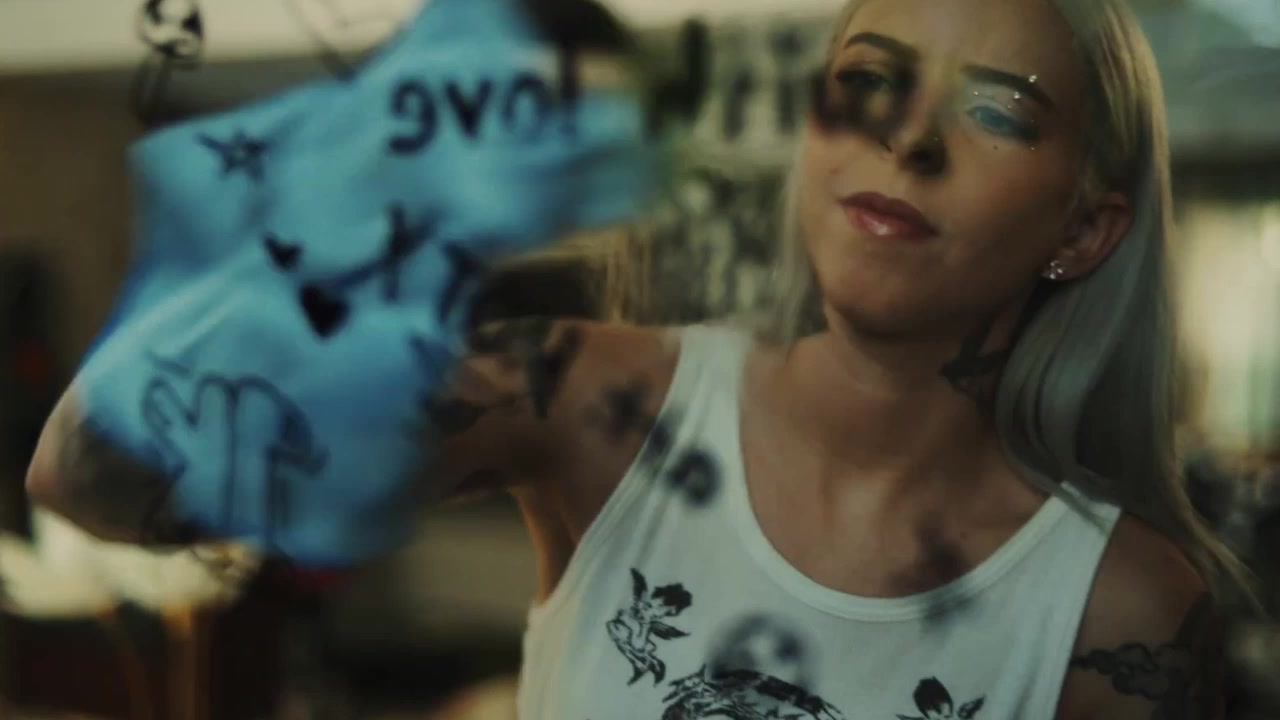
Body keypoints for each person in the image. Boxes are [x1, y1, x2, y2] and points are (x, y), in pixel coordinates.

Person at [24, 0, 1259, 717]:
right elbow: (90, 478)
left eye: (994, 110)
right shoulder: (598, 400)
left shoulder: (1125, 609)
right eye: (870, 81)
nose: (907, 137)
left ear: (1084, 230)